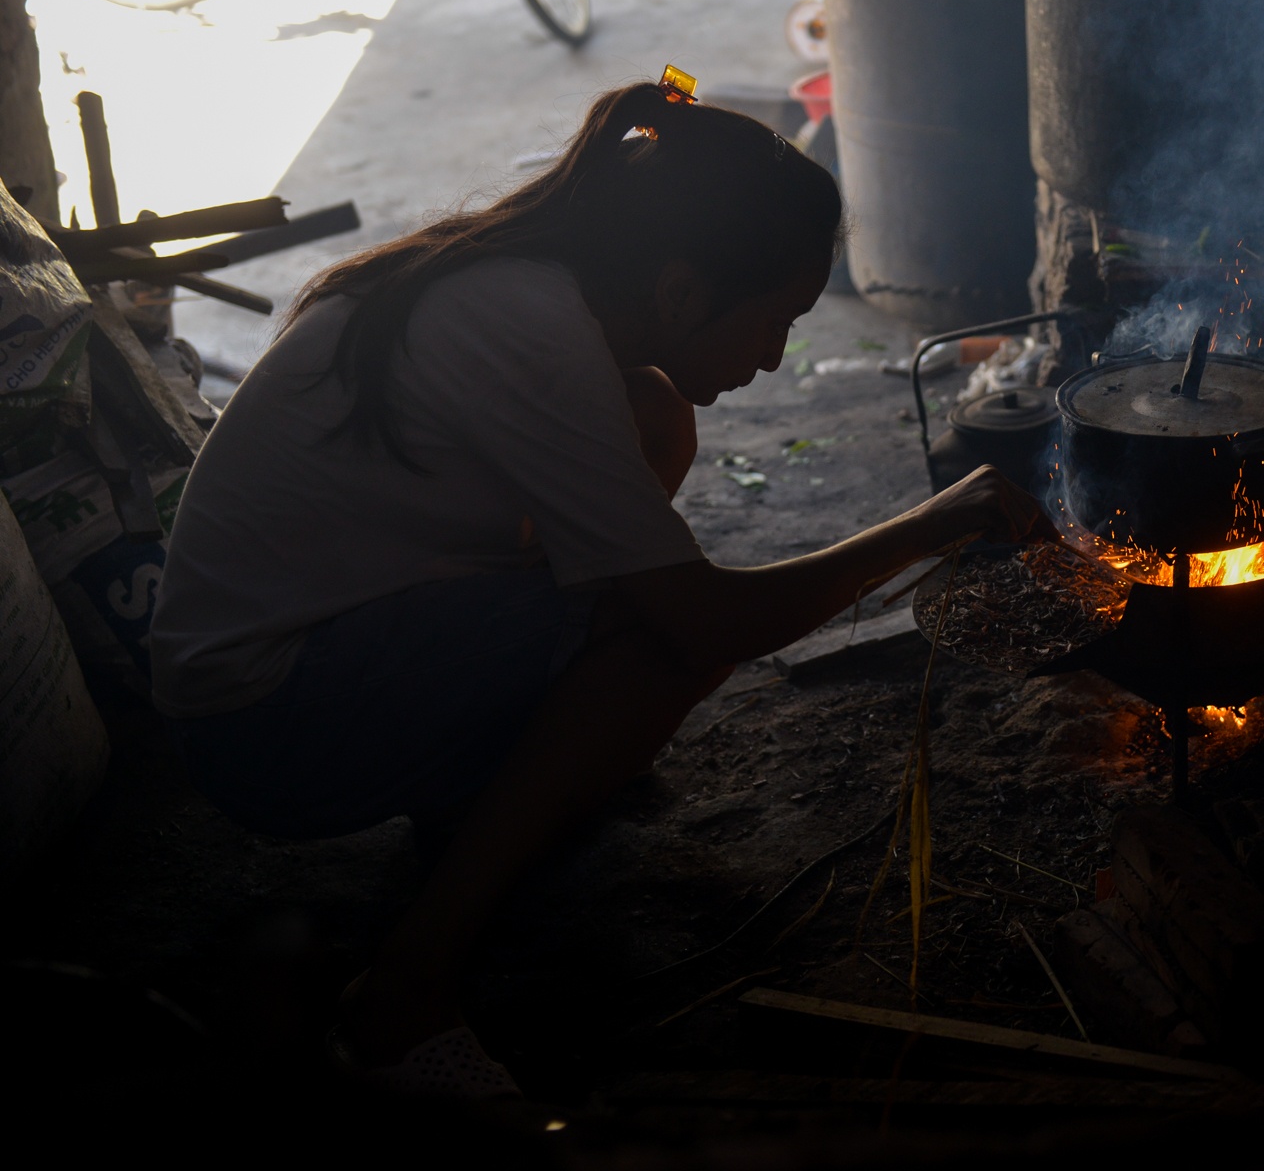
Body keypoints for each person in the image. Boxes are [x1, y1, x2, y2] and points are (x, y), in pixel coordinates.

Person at [149, 80, 1049, 1099]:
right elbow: (704, 619)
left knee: (654, 417)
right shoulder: (524, 326)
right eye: (773, 321)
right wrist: (928, 525)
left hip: (340, 635)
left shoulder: (538, 284)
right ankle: (401, 994)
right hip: (263, 716)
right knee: (660, 638)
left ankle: (488, 791)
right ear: (676, 291)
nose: (775, 354)